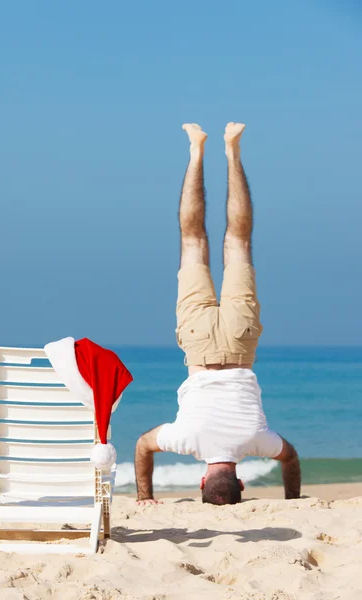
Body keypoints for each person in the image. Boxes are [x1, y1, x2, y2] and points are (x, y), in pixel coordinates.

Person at [135, 122, 301, 506]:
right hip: (198, 346)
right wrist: (145, 496)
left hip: (240, 345)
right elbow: (143, 446)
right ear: (202, 481)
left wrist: (293, 497)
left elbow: (290, 457)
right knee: (193, 240)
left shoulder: (257, 441)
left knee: (238, 241)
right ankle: (196, 151)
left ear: (241, 483)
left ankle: (232, 151)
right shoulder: (185, 440)